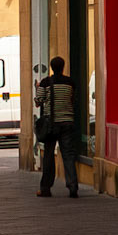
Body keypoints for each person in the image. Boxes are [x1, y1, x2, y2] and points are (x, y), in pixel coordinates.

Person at [35, 56, 79, 198]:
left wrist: (38, 89)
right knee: (68, 155)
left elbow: (38, 101)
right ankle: (73, 186)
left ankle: (46, 188)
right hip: (67, 122)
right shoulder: (70, 83)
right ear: (63, 66)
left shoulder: (46, 82)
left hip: (51, 125)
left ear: (52, 67)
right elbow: (73, 100)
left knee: (48, 156)